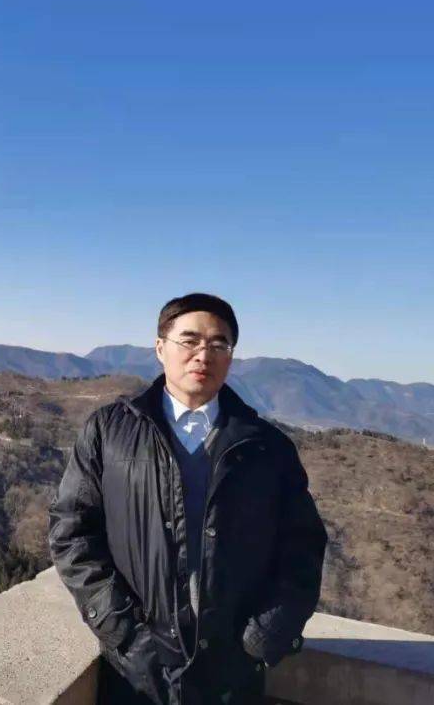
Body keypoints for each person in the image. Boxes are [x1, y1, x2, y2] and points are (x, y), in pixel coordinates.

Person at [48, 293, 327, 705]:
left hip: (232, 672)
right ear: (160, 348)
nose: (203, 354)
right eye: (190, 340)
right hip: (136, 671)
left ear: (231, 357)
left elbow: (303, 546)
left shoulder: (267, 447)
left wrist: (266, 633)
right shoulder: (109, 432)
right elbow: (71, 531)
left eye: (219, 344)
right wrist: (119, 628)